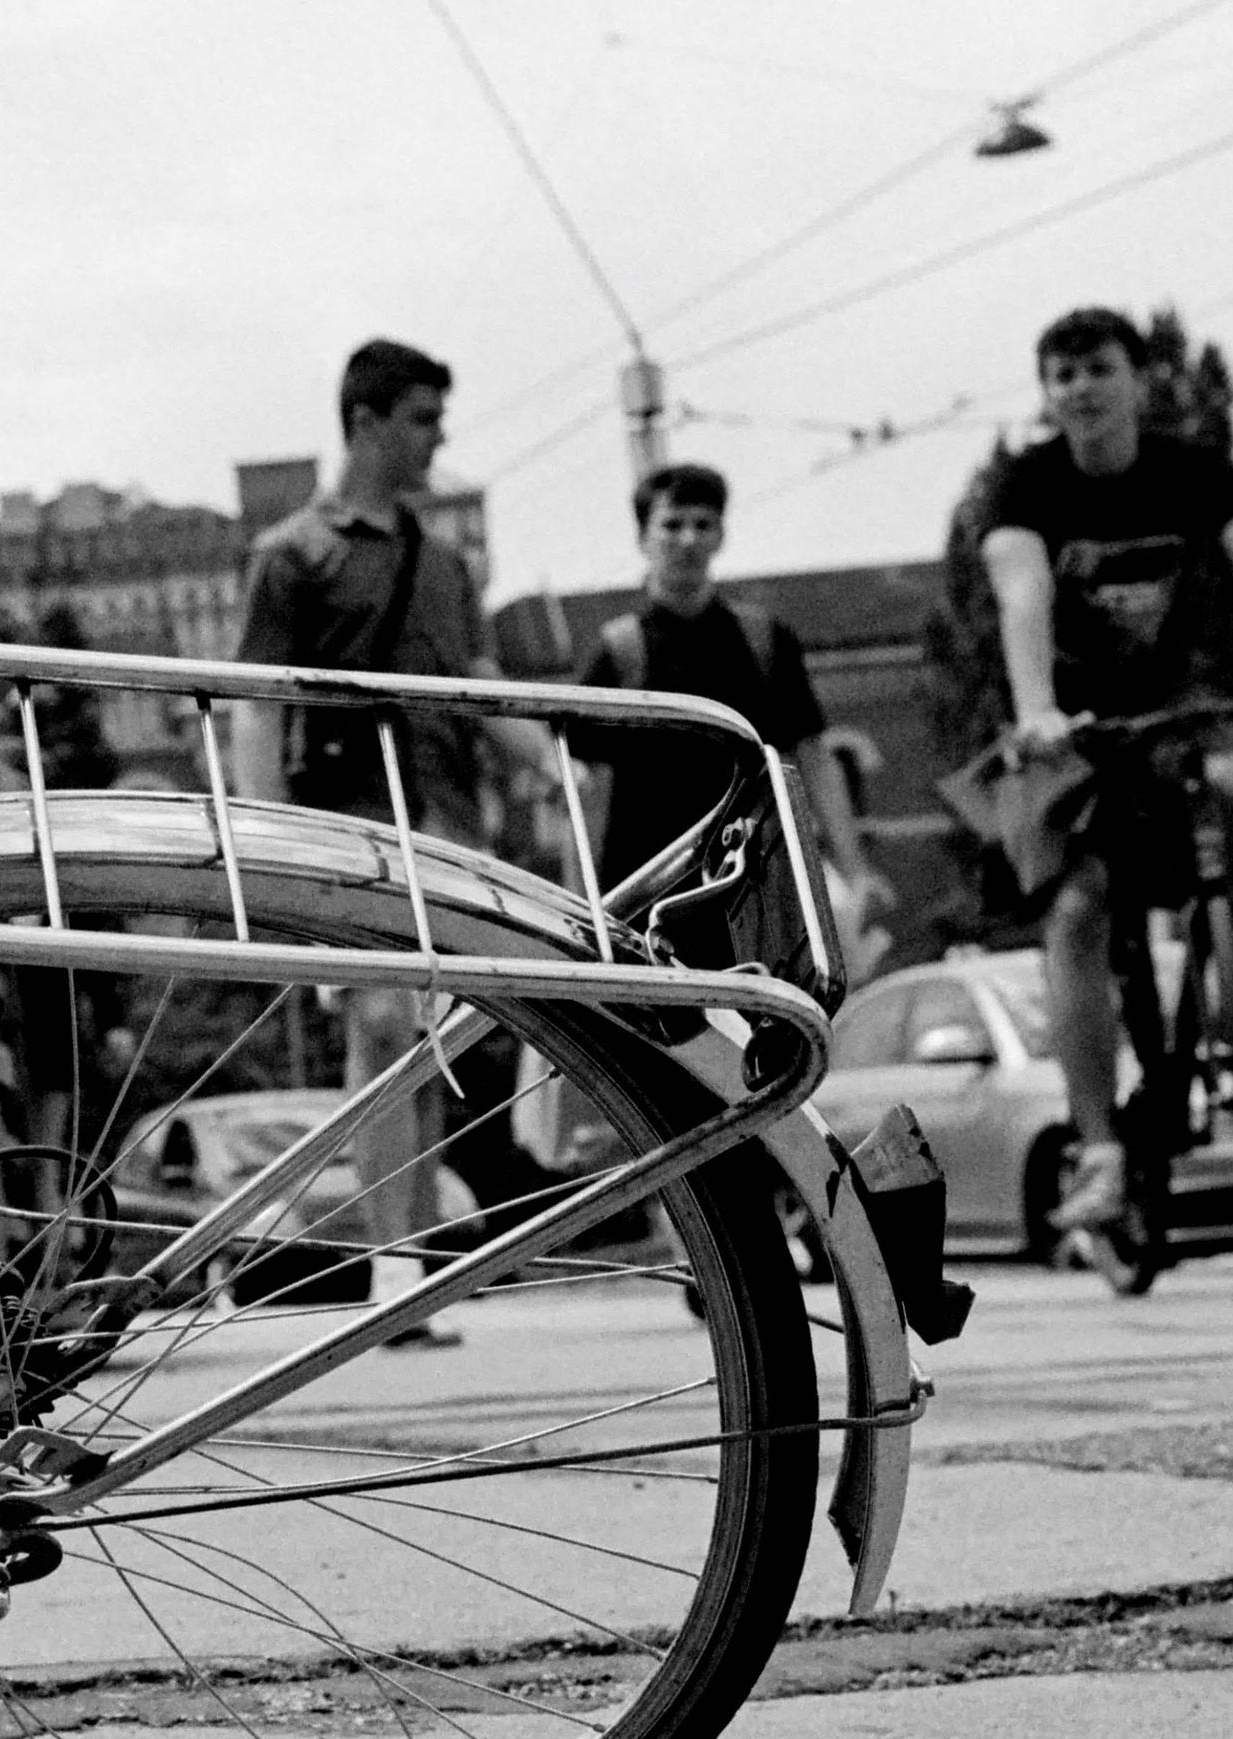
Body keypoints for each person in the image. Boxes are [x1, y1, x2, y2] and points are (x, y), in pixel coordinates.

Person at [979, 305, 1233, 1233]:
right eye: (1061, 375)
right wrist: (1037, 711)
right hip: (1067, 727)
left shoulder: (1191, 470)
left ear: (1138, 379)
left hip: (1178, 708)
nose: (1081, 390)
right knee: (1077, 907)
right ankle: (1101, 1145)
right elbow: (1021, 591)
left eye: (1098, 368)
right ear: (1047, 394)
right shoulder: (1029, 484)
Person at [230, 339, 558, 1337]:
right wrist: (266, 833)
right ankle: (393, 1270)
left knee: (430, 1045)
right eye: (420, 417)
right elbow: (256, 703)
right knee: (379, 1032)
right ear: (366, 421)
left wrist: (550, 759)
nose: (437, 436)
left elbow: (474, 676)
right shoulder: (292, 554)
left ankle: (411, 1268)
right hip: (351, 822)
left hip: (446, 819)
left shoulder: (443, 560)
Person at [572, 460, 889, 969]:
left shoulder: (764, 641)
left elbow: (813, 758)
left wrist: (853, 867)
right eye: (672, 525)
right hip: (643, 892)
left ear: (721, 534)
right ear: (643, 537)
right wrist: (579, 901)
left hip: (750, 883)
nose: (688, 539)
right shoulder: (618, 651)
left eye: (703, 524)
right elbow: (583, 789)